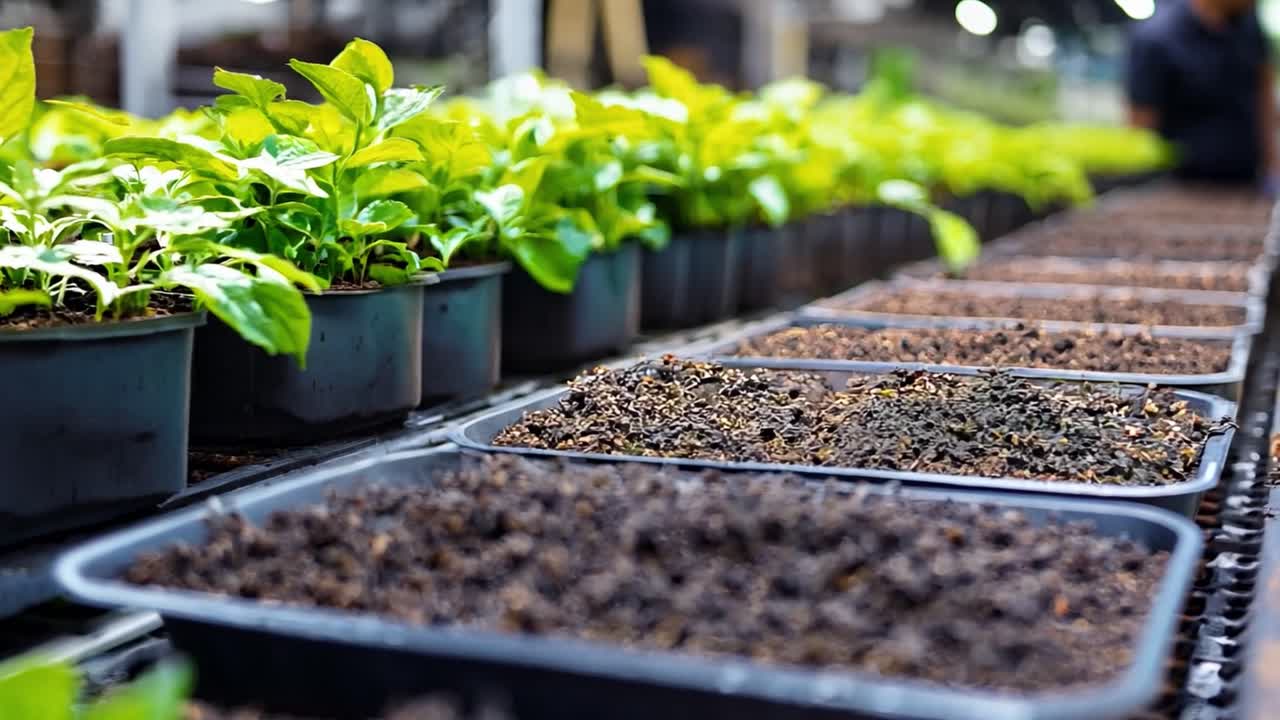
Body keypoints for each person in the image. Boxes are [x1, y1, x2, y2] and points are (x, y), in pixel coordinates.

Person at [1126, 0, 1278, 189]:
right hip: (1181, 187)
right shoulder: (1155, 37)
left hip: (1246, 183)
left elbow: (1263, 92)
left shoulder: (1248, 25)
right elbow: (1141, 128)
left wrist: (1272, 167)